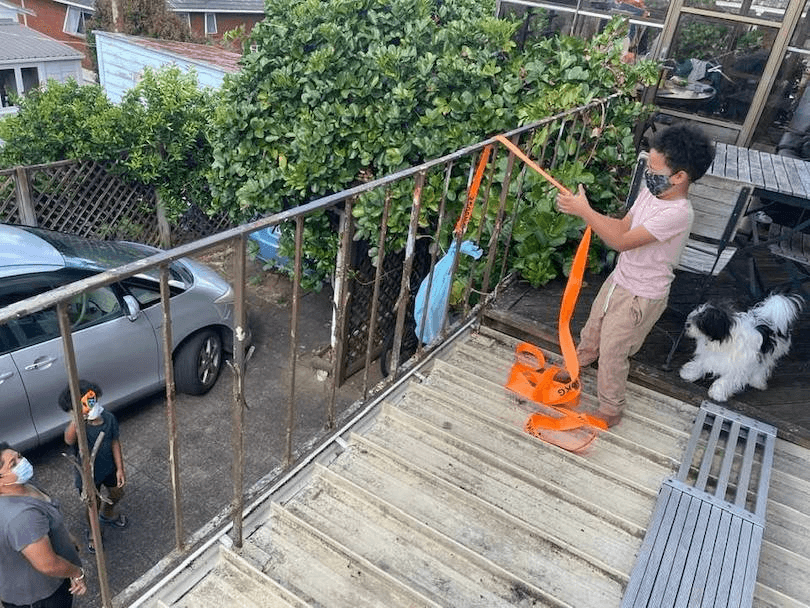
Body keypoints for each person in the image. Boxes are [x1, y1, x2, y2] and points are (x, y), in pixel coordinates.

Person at [556, 124, 714, 427]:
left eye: (654, 169)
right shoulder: (650, 193)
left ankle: (611, 409)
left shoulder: (678, 212)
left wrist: (584, 211)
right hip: (619, 280)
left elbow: (619, 242)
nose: (648, 175)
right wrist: (584, 210)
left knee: (614, 351)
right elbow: (621, 228)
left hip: (642, 296)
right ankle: (580, 361)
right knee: (593, 329)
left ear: (679, 177)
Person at [0, 442, 87, 607]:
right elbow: (48, 565)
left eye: (19, 456)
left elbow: (48, 517)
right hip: (42, 597)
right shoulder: (23, 518)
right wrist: (77, 573)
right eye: (13, 464)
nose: (22, 463)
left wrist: (67, 538)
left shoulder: (22, 487)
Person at [58, 381, 128, 554]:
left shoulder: (109, 418)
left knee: (117, 492)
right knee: (92, 505)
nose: (92, 407)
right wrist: (77, 420)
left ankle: (108, 513)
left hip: (109, 468)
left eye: (93, 401)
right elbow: (68, 439)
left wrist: (120, 468)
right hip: (87, 476)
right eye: (85, 404)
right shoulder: (80, 428)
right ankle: (93, 531)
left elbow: (114, 442)